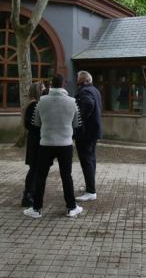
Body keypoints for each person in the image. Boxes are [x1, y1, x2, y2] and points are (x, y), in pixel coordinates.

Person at [24, 74, 83, 218]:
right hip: (65, 144)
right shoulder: (72, 102)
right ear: (64, 84)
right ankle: (71, 207)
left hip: (46, 143)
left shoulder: (41, 102)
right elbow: (77, 124)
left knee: (41, 176)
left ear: (51, 85)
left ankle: (36, 209)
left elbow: (36, 123)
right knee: (66, 176)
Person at [74, 71, 102, 203]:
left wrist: (79, 121)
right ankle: (90, 187)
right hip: (93, 132)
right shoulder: (94, 90)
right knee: (91, 160)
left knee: (87, 161)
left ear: (83, 80)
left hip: (86, 133)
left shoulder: (85, 92)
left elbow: (88, 105)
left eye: (78, 79)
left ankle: (91, 191)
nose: (76, 81)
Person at [22, 81, 46, 208]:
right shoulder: (34, 105)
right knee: (34, 169)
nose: (45, 89)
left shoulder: (36, 104)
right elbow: (31, 125)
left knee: (36, 169)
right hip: (35, 141)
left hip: (36, 140)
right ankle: (28, 195)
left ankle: (32, 193)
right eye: (43, 88)